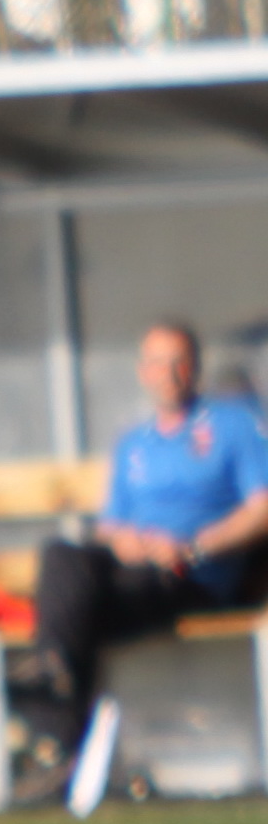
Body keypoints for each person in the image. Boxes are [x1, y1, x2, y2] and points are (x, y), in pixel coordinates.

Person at [27, 322, 268, 786]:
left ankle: (54, 736)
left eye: (178, 362)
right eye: (157, 362)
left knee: (73, 614)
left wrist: (195, 547)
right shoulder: (134, 442)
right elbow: (110, 526)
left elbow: (262, 508)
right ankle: (56, 699)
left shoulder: (233, 425)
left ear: (195, 368)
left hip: (192, 575)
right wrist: (130, 542)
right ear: (143, 371)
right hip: (135, 569)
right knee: (60, 556)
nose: (168, 373)